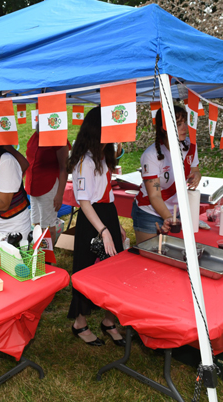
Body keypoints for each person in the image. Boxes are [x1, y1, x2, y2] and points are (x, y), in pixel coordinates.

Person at [67, 106, 126, 347]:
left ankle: (109, 320)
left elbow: (108, 193)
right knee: (86, 270)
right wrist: (103, 229)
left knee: (114, 270)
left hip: (106, 215)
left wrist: (116, 226)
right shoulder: (85, 161)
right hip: (92, 220)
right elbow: (84, 201)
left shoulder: (105, 156)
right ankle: (80, 322)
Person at [132, 105, 201, 244]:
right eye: (179, 124)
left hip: (175, 212)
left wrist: (197, 174)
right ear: (165, 127)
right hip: (149, 212)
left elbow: (195, 169)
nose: (184, 128)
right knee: (150, 257)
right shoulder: (151, 155)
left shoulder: (190, 145)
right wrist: (169, 218)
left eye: (185, 123)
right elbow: (154, 196)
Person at [25, 127, 69, 244]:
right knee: (37, 223)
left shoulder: (58, 138)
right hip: (33, 187)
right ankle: (40, 252)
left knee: (48, 225)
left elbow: (64, 168)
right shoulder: (35, 136)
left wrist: (59, 194)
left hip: (48, 187)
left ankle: (48, 258)